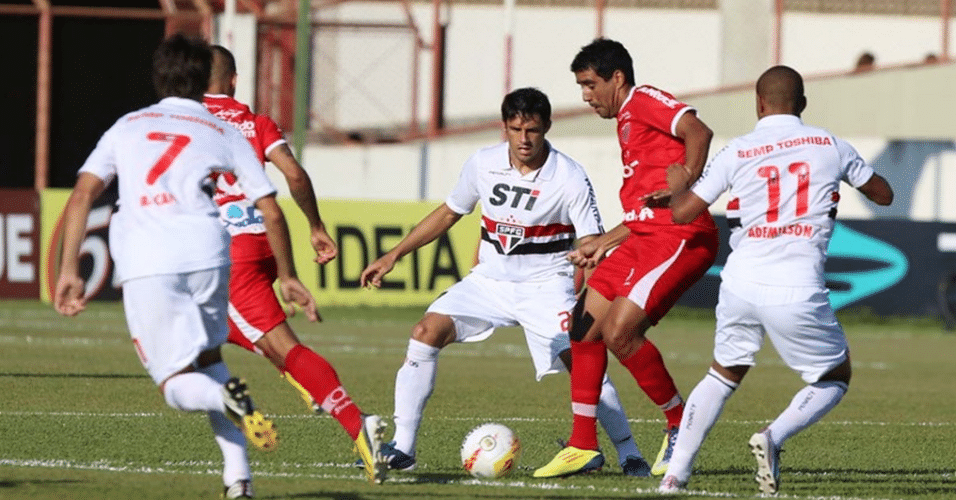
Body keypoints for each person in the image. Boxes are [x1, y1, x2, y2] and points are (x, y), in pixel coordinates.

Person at [359, 87, 652, 477]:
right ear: (505, 128)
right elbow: (449, 213)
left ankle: (629, 452)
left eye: (532, 129)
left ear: (547, 127)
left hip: (547, 285)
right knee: (425, 331)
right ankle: (403, 446)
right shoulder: (482, 163)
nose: (524, 139)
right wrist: (393, 255)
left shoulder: (569, 176)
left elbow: (590, 242)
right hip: (489, 282)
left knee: (582, 361)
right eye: (515, 129)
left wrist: (591, 290)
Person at [54, 34, 287, 499]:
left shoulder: (128, 125)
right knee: (211, 361)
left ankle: (224, 399)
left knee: (177, 384)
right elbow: (272, 208)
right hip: (210, 251)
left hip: (149, 257)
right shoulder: (225, 131)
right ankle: (238, 481)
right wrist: (291, 275)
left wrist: (68, 269)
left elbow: (83, 193)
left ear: (158, 78)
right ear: (206, 82)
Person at [657, 65, 894, 494]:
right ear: (802, 104)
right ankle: (773, 437)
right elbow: (884, 194)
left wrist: (678, 183)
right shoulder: (829, 144)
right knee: (834, 376)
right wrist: (848, 175)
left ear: (758, 103)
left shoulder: (738, 150)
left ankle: (675, 475)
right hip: (796, 285)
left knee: (722, 374)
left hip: (741, 283)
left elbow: (683, 213)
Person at [201, 45, 387, 485]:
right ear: (233, 80)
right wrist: (316, 226)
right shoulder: (257, 123)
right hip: (264, 242)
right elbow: (296, 175)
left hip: (228, 254)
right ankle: (309, 390)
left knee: (272, 345)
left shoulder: (190, 123)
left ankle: (357, 423)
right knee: (217, 339)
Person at [535, 38, 718, 478]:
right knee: (582, 326)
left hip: (681, 235)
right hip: (642, 236)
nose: (585, 94)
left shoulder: (644, 99)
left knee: (620, 332)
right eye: (581, 85)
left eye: (590, 83)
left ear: (617, 78)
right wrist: (605, 242)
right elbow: (643, 211)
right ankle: (582, 445)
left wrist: (688, 179)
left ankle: (679, 426)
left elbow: (699, 131)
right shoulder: (626, 121)